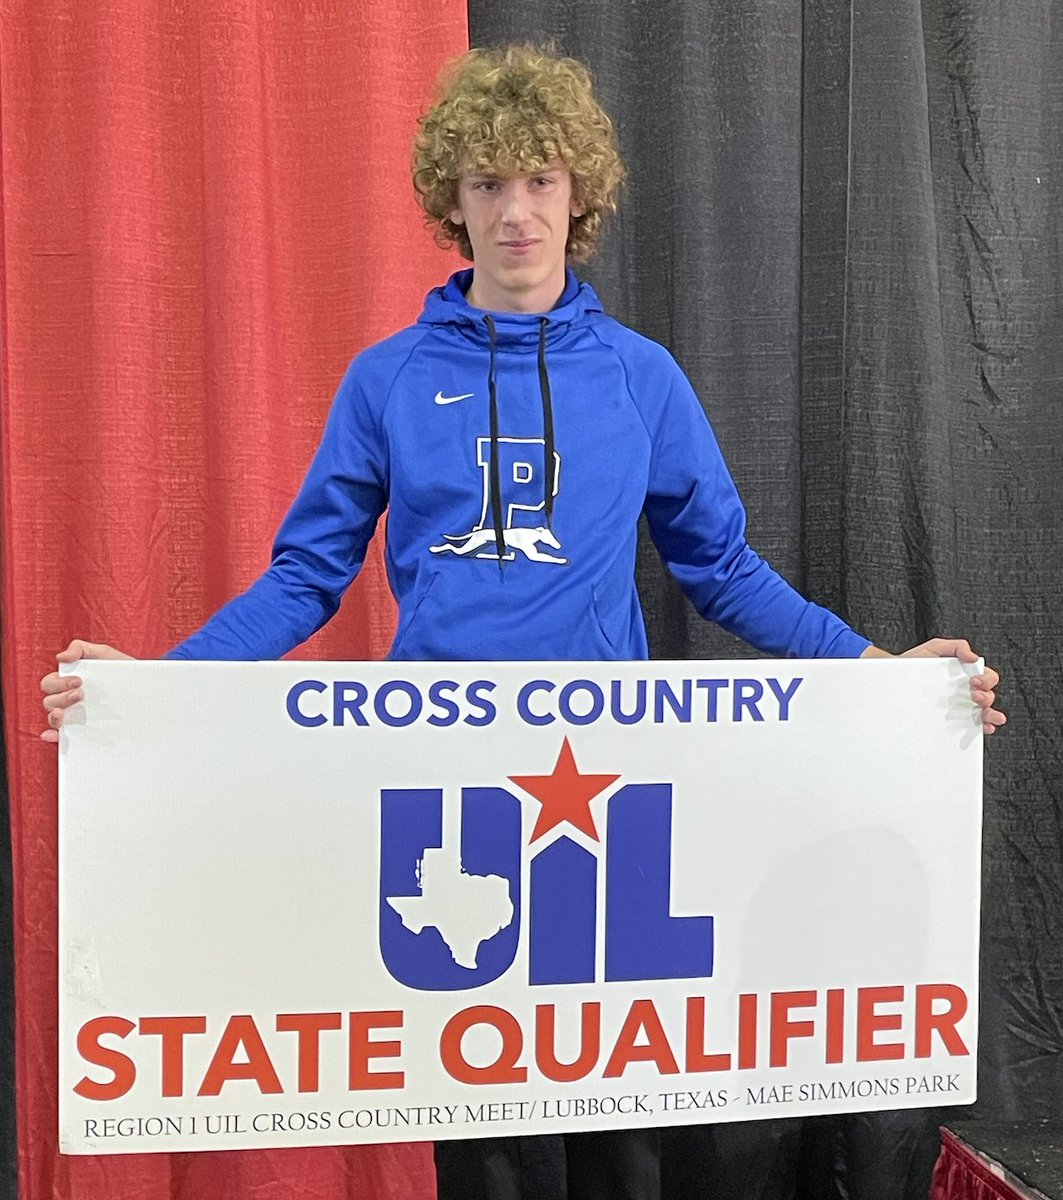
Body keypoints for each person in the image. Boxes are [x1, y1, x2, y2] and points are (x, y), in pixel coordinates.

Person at [41, 42, 1004, 1200]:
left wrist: (876, 668)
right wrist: (159, 682)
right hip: (442, 785)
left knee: (616, 1114)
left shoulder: (640, 378)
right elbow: (306, 579)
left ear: (578, 195)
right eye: (489, 184)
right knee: (482, 1118)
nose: (515, 211)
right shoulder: (386, 380)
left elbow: (722, 569)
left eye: (539, 180)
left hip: (605, 783)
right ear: (451, 200)